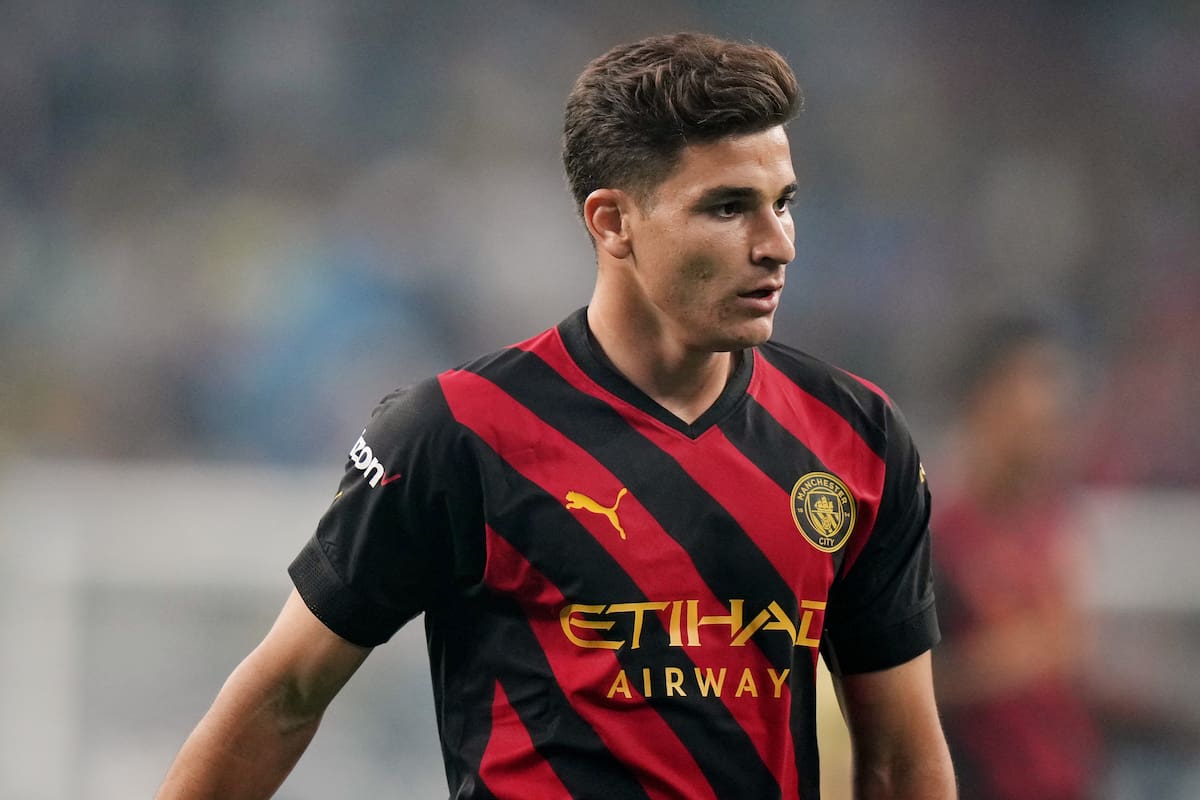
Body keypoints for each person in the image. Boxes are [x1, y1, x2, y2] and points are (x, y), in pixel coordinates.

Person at [157, 32, 956, 799]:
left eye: (783, 203)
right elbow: (285, 693)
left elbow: (899, 759)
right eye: (727, 208)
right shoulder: (456, 433)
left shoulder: (856, 437)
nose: (776, 242)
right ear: (612, 222)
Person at [930, 316, 1099, 800]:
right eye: (1038, 384)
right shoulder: (934, 534)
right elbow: (893, 691)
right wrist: (1006, 660)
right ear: (984, 400)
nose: (1054, 415)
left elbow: (1068, 660)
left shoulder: (1056, 521)